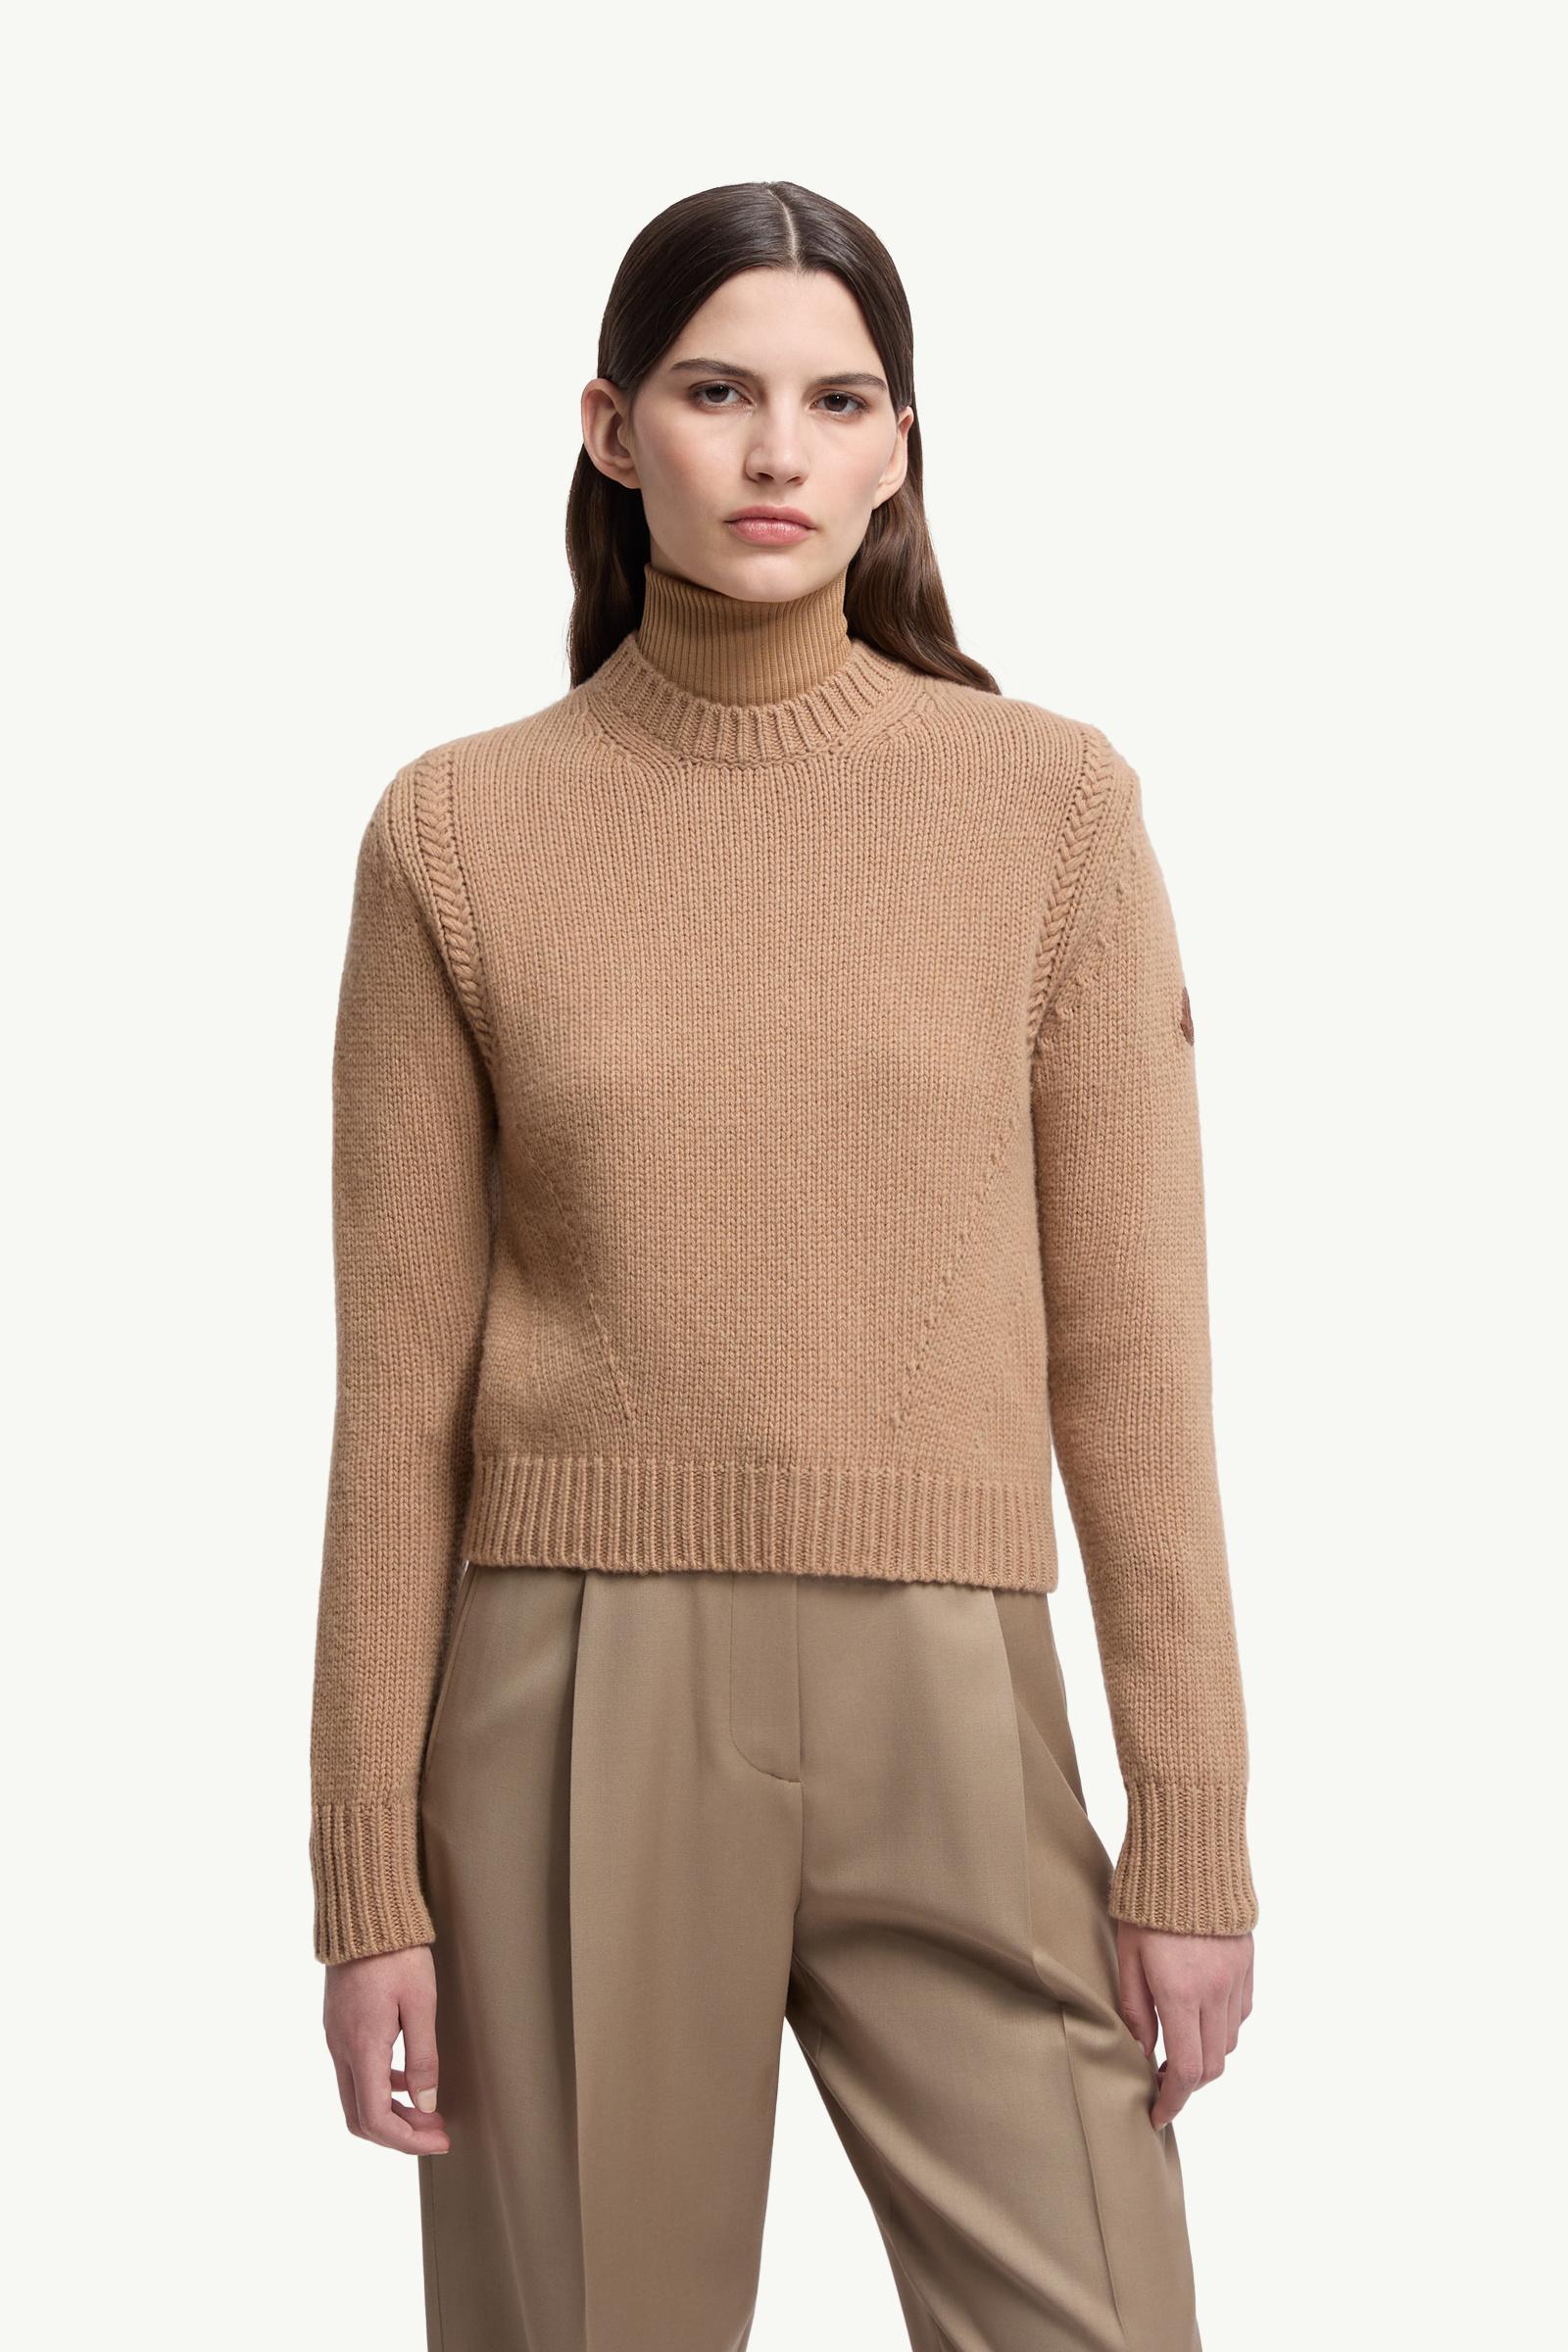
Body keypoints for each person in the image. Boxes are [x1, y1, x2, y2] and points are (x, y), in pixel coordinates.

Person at [309, 178, 1259, 2352]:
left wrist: (1189, 1831)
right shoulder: (457, 833)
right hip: (572, 1689)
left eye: (836, 403)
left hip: (956, 1692)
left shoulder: (1050, 813)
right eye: (715, 391)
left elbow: (1133, 1368)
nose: (774, 452)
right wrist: (366, 1876)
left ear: (898, 450)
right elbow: (396, 1406)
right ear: (609, 428)